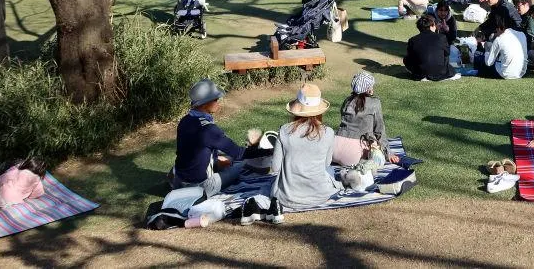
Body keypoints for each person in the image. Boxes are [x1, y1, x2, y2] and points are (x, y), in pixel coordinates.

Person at [171, 79, 262, 199]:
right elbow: (239, 153)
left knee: (225, 157)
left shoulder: (184, 121)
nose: (218, 102)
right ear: (204, 104)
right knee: (241, 165)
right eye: (215, 99)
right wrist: (269, 151)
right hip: (199, 188)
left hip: (178, 182)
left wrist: (218, 159)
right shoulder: (209, 129)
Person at [270, 83, 342, 211]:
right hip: (319, 195)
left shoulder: (284, 131)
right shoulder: (329, 132)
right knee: (330, 171)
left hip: (287, 197)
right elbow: (327, 163)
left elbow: (275, 167)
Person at [334, 72, 401, 167]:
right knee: (377, 155)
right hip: (353, 155)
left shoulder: (347, 101)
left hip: (335, 149)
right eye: (371, 86)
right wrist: (388, 153)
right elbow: (379, 131)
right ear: (368, 88)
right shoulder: (375, 102)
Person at [404, 15, 458, 82]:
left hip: (420, 72)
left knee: (407, 58)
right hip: (439, 72)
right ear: (432, 26)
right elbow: (447, 53)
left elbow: (409, 57)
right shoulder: (442, 37)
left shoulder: (413, 40)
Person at [474, 14, 527, 79]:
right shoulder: (522, 35)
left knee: (480, 59)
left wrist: (487, 50)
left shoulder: (499, 39)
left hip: (505, 74)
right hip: (521, 72)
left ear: (499, 28)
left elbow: (488, 63)